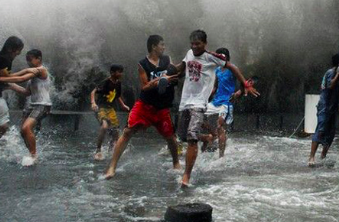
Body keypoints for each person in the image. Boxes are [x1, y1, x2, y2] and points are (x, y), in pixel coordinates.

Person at [174, 30, 258, 187]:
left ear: (205, 44)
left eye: (197, 43)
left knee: (217, 125)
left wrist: (243, 87)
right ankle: (208, 137)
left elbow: (238, 71)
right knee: (185, 134)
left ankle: (218, 156)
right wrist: (169, 72)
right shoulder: (214, 69)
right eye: (192, 43)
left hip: (224, 102)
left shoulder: (213, 59)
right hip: (203, 101)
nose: (194, 46)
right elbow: (210, 82)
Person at [105, 35, 181, 179]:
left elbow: (174, 72)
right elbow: (145, 87)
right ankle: (112, 167)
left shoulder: (167, 59)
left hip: (161, 107)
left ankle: (176, 163)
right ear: (153, 46)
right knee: (127, 132)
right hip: (145, 105)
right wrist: (160, 80)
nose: (164, 47)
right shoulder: (142, 64)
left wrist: (175, 75)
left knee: (170, 137)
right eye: (161, 45)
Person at [0, 49, 50, 164]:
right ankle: (31, 153)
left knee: (26, 128)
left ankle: (33, 156)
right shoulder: (33, 76)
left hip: (43, 105)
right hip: (33, 105)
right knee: (23, 132)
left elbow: (22, 78)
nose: (28, 62)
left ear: (39, 59)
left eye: (30, 59)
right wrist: (10, 84)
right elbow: (26, 92)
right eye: (27, 60)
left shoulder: (41, 70)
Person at [203, 48, 260, 158]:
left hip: (227, 102)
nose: (221, 58)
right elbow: (215, 87)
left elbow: (245, 82)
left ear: (227, 58)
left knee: (219, 125)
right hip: (215, 101)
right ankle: (213, 135)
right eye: (219, 56)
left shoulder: (233, 69)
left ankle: (221, 156)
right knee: (199, 115)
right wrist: (206, 96)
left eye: (223, 56)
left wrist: (238, 93)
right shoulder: (217, 70)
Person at [0, 36, 25, 160]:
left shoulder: (7, 59)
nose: (19, 53)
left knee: (3, 127)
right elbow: (7, 79)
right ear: (10, 49)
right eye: (18, 50)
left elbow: (6, 78)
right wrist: (21, 88)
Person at [308, 53, 339, 167]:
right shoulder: (331, 73)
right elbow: (330, 86)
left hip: (332, 107)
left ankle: (323, 156)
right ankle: (311, 156)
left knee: (331, 132)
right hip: (324, 106)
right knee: (321, 129)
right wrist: (338, 73)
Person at [91, 64, 129, 161]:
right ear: (112, 73)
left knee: (115, 132)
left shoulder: (118, 83)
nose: (121, 74)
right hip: (101, 108)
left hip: (110, 109)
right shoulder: (106, 82)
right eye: (119, 72)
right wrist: (93, 103)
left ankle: (111, 151)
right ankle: (98, 151)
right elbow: (93, 92)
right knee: (104, 126)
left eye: (121, 71)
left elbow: (117, 95)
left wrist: (123, 105)